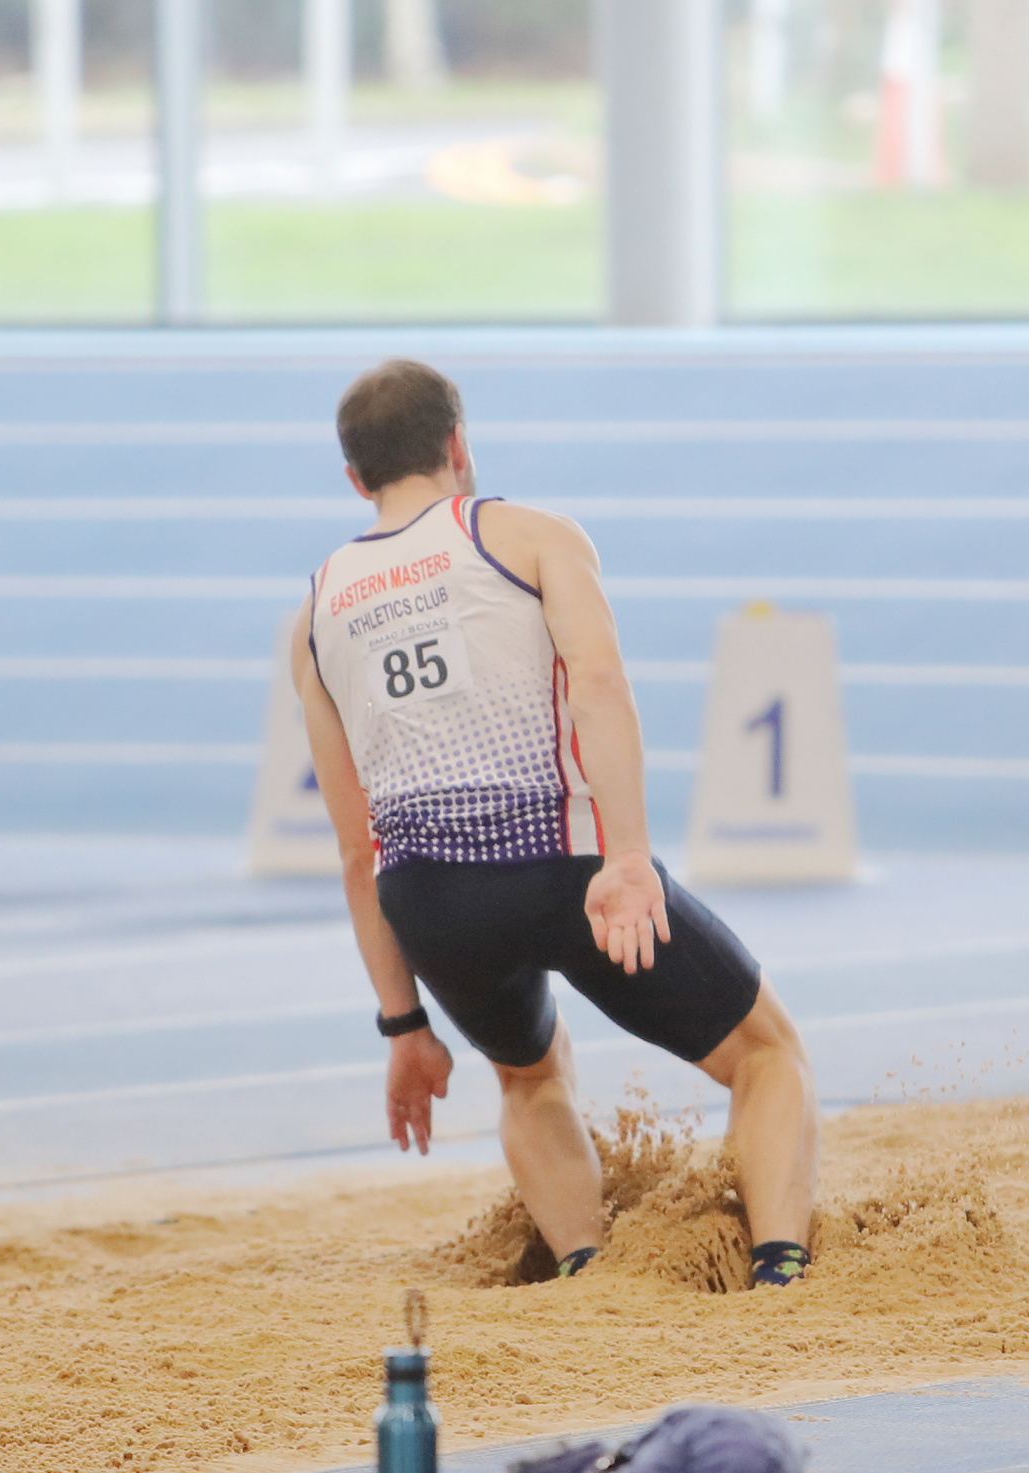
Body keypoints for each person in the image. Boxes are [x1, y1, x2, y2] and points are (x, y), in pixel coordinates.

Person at [293, 358, 818, 1288]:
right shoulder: (531, 536)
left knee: (529, 1075)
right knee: (768, 1054)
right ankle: (780, 1272)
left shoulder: (315, 610)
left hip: (429, 901)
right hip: (560, 867)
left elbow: (354, 849)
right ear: (458, 444)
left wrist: (404, 1024)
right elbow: (600, 687)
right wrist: (629, 858)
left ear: (354, 477)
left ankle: (588, 1275)